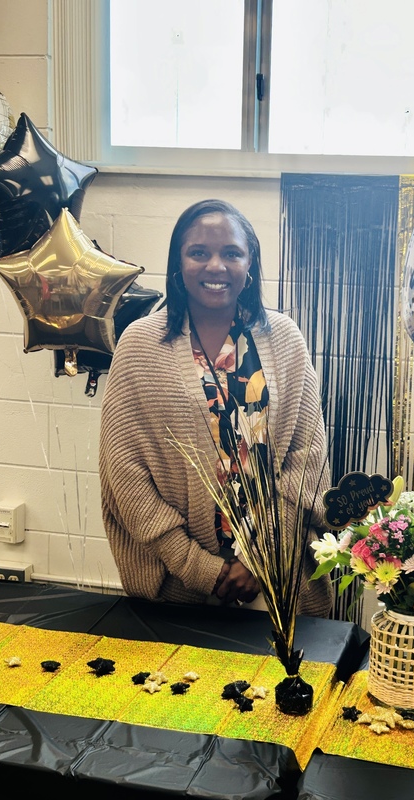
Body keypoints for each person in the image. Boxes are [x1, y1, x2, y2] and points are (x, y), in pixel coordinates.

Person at [99, 199, 333, 617]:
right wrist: (197, 566)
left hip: (278, 577)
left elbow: (307, 462)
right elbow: (124, 470)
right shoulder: (139, 345)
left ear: (250, 263)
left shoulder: (284, 339)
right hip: (177, 582)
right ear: (177, 263)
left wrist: (260, 557)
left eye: (231, 253)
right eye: (199, 253)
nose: (215, 266)